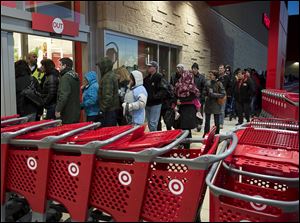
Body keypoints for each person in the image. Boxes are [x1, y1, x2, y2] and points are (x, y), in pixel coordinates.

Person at [174, 70, 201, 149]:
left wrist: (179, 101)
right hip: (188, 110)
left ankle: (184, 146)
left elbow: (175, 95)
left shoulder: (180, 85)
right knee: (186, 129)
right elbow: (196, 99)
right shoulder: (192, 87)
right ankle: (185, 146)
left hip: (184, 110)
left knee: (184, 129)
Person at [143, 61, 168, 132]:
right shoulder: (146, 79)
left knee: (153, 123)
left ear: (155, 68)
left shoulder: (159, 77)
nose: (148, 68)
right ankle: (152, 136)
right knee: (150, 123)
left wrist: (155, 97)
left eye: (150, 66)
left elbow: (164, 90)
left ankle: (153, 137)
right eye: (148, 66)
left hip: (156, 103)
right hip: (148, 103)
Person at [55, 58, 80, 124]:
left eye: (60, 65)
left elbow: (63, 96)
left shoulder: (65, 78)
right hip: (75, 111)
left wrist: (58, 110)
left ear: (65, 66)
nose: (58, 67)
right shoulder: (75, 76)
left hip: (67, 112)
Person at [97, 57, 120, 127]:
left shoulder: (107, 77)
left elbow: (107, 96)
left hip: (108, 112)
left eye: (100, 67)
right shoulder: (110, 75)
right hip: (111, 110)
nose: (99, 69)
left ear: (104, 67)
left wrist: (102, 110)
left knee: (107, 132)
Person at [203, 70, 226, 137]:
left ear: (215, 76)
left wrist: (213, 95)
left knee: (217, 121)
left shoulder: (219, 83)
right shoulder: (207, 83)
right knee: (207, 121)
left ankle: (217, 134)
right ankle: (205, 133)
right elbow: (204, 92)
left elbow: (223, 94)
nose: (210, 76)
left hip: (216, 103)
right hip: (208, 103)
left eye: (211, 75)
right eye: (209, 74)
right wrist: (206, 93)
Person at [191, 62, 206, 132]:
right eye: (193, 69)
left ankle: (199, 124)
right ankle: (194, 124)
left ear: (197, 69)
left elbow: (204, 88)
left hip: (199, 97)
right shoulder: (190, 77)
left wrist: (202, 96)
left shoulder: (201, 77)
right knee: (193, 111)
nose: (194, 70)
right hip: (191, 97)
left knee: (199, 111)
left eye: (195, 69)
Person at [218, 64, 229, 129]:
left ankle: (221, 123)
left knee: (222, 110)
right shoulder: (218, 77)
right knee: (217, 109)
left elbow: (229, 86)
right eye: (219, 68)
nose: (220, 69)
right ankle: (218, 122)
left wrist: (226, 93)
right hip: (217, 95)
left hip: (223, 95)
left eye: (221, 68)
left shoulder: (226, 77)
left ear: (224, 69)